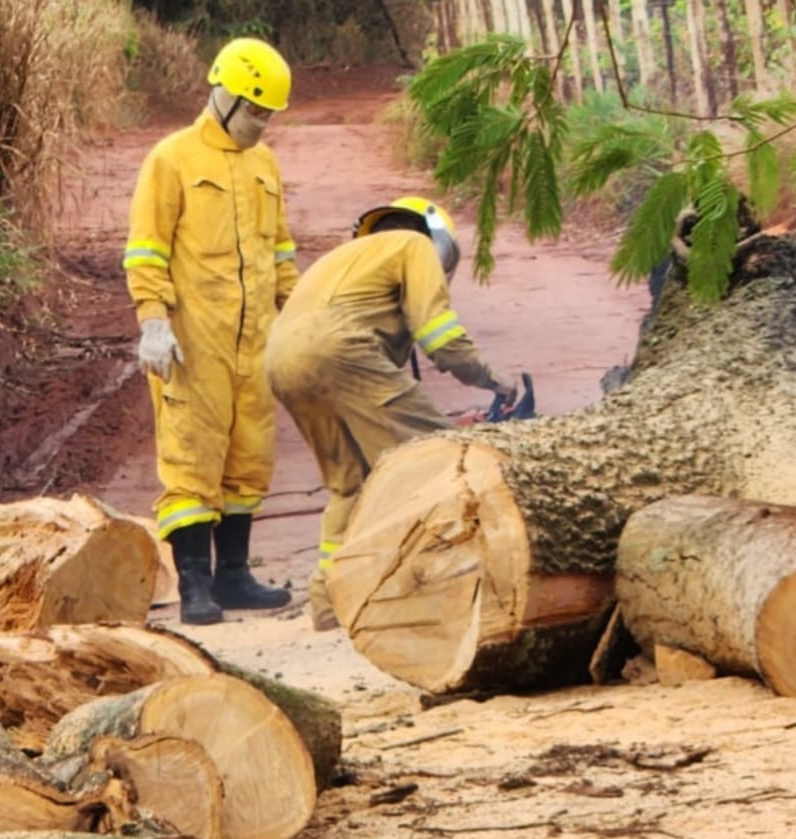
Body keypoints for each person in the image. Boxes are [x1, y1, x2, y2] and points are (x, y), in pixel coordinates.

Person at [264, 196, 519, 630]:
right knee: (438, 460)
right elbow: (440, 336)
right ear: (437, 241)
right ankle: (462, 587)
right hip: (341, 348)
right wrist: (494, 380)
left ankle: (329, 604)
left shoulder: (345, 258)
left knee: (350, 485)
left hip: (280, 359)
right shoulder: (413, 246)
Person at [122, 36, 299, 626]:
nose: (260, 124)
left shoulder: (265, 165)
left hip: (255, 342)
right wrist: (153, 321)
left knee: (249, 456)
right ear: (223, 93)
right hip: (193, 343)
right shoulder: (171, 160)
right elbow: (146, 249)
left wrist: (296, 316)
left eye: (269, 115)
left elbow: (280, 251)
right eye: (254, 111)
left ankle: (234, 576)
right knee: (192, 459)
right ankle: (195, 584)